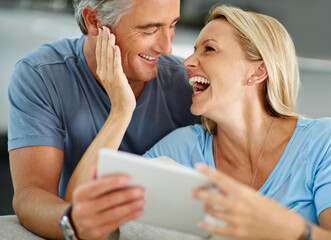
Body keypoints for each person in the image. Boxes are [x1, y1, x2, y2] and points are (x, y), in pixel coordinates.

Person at [89, 4, 331, 240]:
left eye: (209, 49)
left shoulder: (324, 141)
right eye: (194, 50)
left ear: (258, 71)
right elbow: (85, 215)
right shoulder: (180, 149)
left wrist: (288, 229)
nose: (188, 61)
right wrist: (122, 110)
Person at [8, 0, 197, 239]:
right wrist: (76, 223)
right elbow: (31, 194)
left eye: (172, 25)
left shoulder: (186, 84)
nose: (167, 47)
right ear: (95, 21)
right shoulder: (42, 75)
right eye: (149, 30)